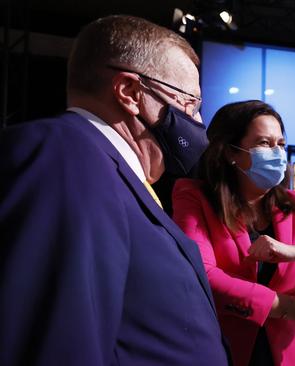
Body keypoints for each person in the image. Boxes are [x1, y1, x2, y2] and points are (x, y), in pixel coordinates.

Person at [0, 16, 230, 365]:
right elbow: (57, 341)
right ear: (130, 92)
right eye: (189, 104)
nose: (197, 123)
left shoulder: (108, 172)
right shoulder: (68, 157)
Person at [172, 100, 295, 366]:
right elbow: (202, 275)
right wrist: (293, 308)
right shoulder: (194, 196)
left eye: (280, 144)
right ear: (230, 152)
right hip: (223, 347)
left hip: (293, 353)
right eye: (264, 144)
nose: (277, 153)